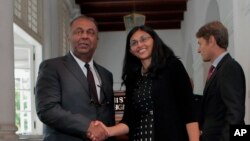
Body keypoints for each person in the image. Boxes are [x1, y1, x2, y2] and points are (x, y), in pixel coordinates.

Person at [88, 25, 200, 141]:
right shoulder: (133, 78)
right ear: (131, 50)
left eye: (144, 39)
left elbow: (189, 112)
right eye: (134, 43)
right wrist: (107, 131)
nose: (140, 45)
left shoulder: (172, 66)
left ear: (154, 40)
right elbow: (128, 121)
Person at [35, 15, 115, 141]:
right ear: (69, 37)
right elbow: (47, 109)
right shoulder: (51, 67)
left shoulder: (106, 75)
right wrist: (87, 126)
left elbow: (109, 117)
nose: (84, 36)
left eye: (91, 32)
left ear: (97, 39)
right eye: (78, 32)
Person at [196, 21, 246, 141]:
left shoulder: (229, 67)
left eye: (200, 43)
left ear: (212, 40)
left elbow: (235, 114)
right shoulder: (218, 69)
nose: (198, 50)